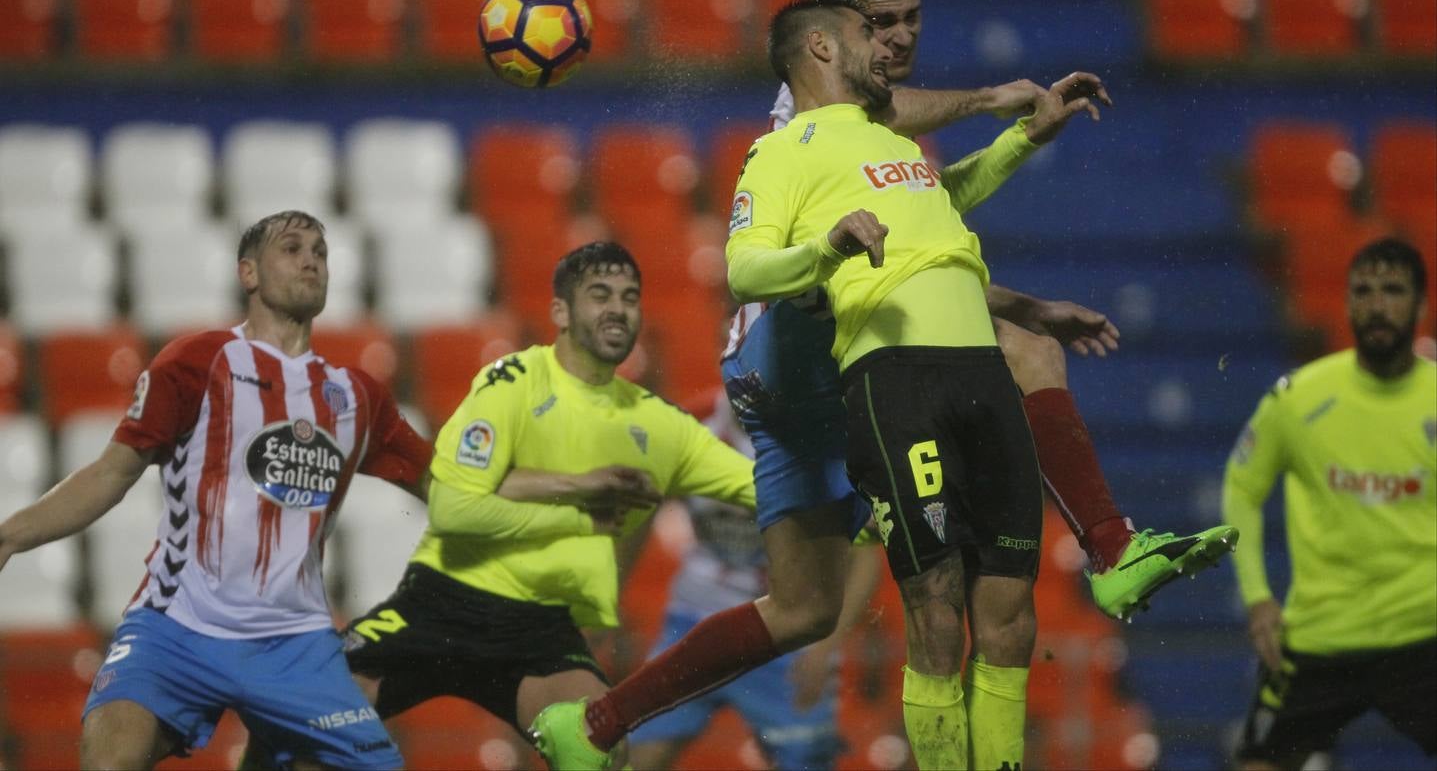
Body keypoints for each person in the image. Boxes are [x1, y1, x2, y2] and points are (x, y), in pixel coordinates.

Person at [529, 0, 1233, 771]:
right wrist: (994, 100)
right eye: (876, 24)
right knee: (1019, 356)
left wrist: (1021, 166)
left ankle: (596, 726)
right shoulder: (814, 116)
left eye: (909, 21)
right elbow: (830, 230)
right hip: (796, 356)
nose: (894, 41)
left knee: (801, 610)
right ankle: (1111, 547)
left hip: (805, 382)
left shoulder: (880, 140)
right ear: (831, 34)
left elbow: (917, 232)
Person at [0, 210, 429, 769]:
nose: (311, 260)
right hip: (177, 626)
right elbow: (110, 474)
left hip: (294, 642)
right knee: (108, 759)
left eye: (320, 252)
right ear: (247, 273)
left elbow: (445, 484)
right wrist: (9, 537)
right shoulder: (197, 362)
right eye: (293, 248)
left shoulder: (357, 396)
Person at [334, 242, 758, 766]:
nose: (618, 309)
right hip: (441, 606)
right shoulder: (510, 382)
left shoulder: (663, 427)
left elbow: (769, 490)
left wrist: (865, 495)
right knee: (306, 714)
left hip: (539, 632)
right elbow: (452, 505)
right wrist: (582, 487)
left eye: (629, 297)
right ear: (560, 311)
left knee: (597, 747)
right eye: (599, 295)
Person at [1223, 237, 1435, 770]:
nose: (1377, 305)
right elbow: (1242, 488)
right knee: (1257, 763)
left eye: (1393, 290)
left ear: (1421, 305)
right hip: (1317, 637)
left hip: (1424, 637)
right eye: (1363, 291)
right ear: (1345, 303)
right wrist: (1257, 597)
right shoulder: (1299, 399)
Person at [626, 391, 884, 770]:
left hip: (786, 636)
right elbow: (640, 509)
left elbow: (866, 555)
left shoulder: (819, 442)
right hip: (693, 622)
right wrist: (610, 594)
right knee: (635, 758)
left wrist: (825, 646)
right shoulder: (686, 427)